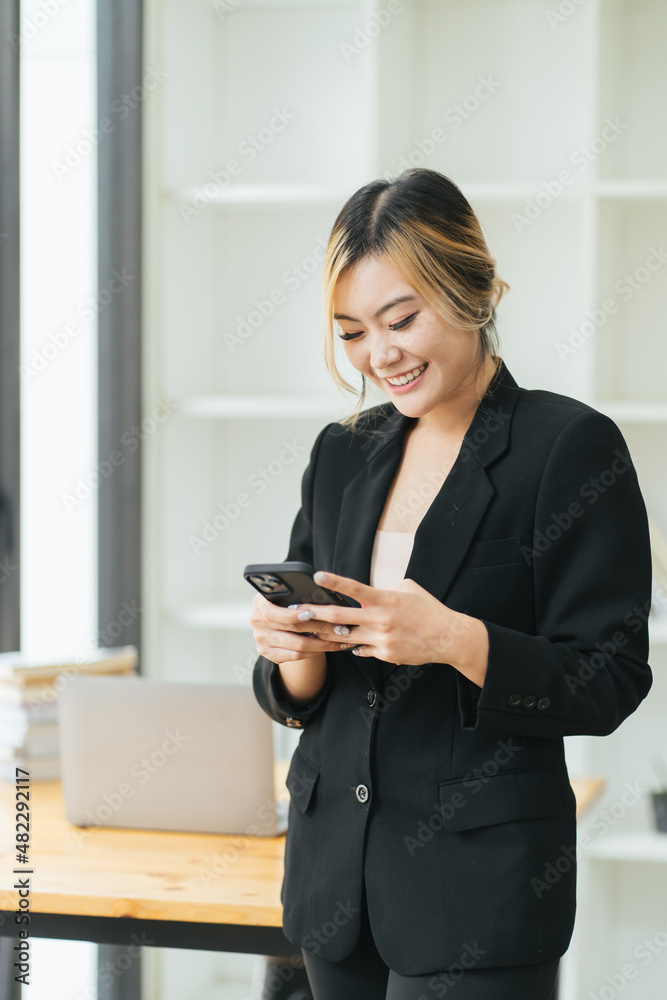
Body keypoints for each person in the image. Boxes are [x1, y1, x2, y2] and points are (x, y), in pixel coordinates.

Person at [250, 167, 653, 1000]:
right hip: (336, 883)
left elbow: (608, 679)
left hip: (478, 887)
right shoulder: (343, 451)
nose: (379, 354)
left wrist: (455, 641)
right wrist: (291, 653)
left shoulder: (567, 447)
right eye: (353, 331)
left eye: (401, 319)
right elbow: (305, 693)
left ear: (475, 290)